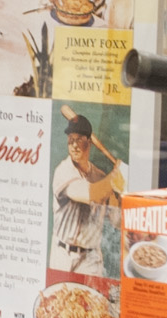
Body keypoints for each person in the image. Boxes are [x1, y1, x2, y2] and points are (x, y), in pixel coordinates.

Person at [50, 111, 127, 275]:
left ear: (90, 142)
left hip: (90, 259)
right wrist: (116, 176)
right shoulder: (63, 171)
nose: (75, 145)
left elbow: (117, 221)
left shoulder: (100, 178)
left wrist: (119, 193)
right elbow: (92, 194)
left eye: (79, 140)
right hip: (62, 254)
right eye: (71, 140)